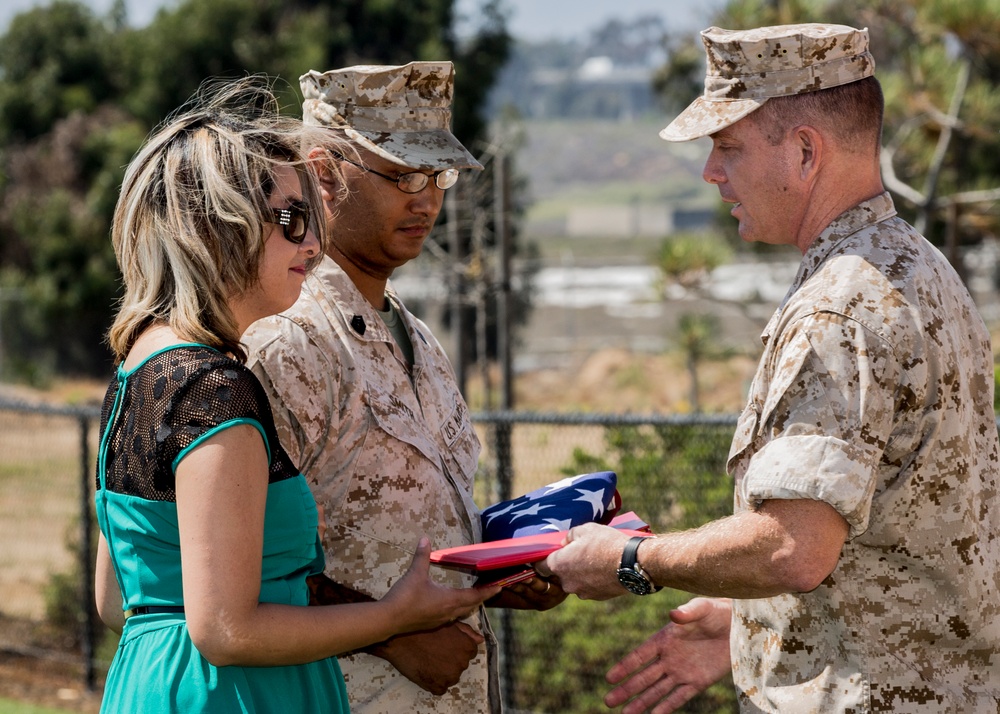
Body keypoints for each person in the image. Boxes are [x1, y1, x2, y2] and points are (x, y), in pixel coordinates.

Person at [539, 23, 1000, 713]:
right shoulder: (917, 266)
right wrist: (754, 622)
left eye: (728, 146)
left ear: (805, 151)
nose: (711, 172)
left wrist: (629, 561)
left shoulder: (838, 307)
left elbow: (794, 547)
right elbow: (898, 526)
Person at [94, 76, 499, 714]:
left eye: (437, 180)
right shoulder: (215, 387)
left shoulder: (148, 368)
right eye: (292, 220)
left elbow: (119, 595)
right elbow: (225, 629)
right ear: (217, 224)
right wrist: (393, 621)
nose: (313, 242)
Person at [242, 61, 565, 714]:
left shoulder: (418, 339)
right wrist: (392, 633)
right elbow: (229, 561)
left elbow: (398, 534)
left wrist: (500, 574)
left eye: (439, 175)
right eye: (404, 175)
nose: (428, 199)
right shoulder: (288, 341)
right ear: (323, 173)